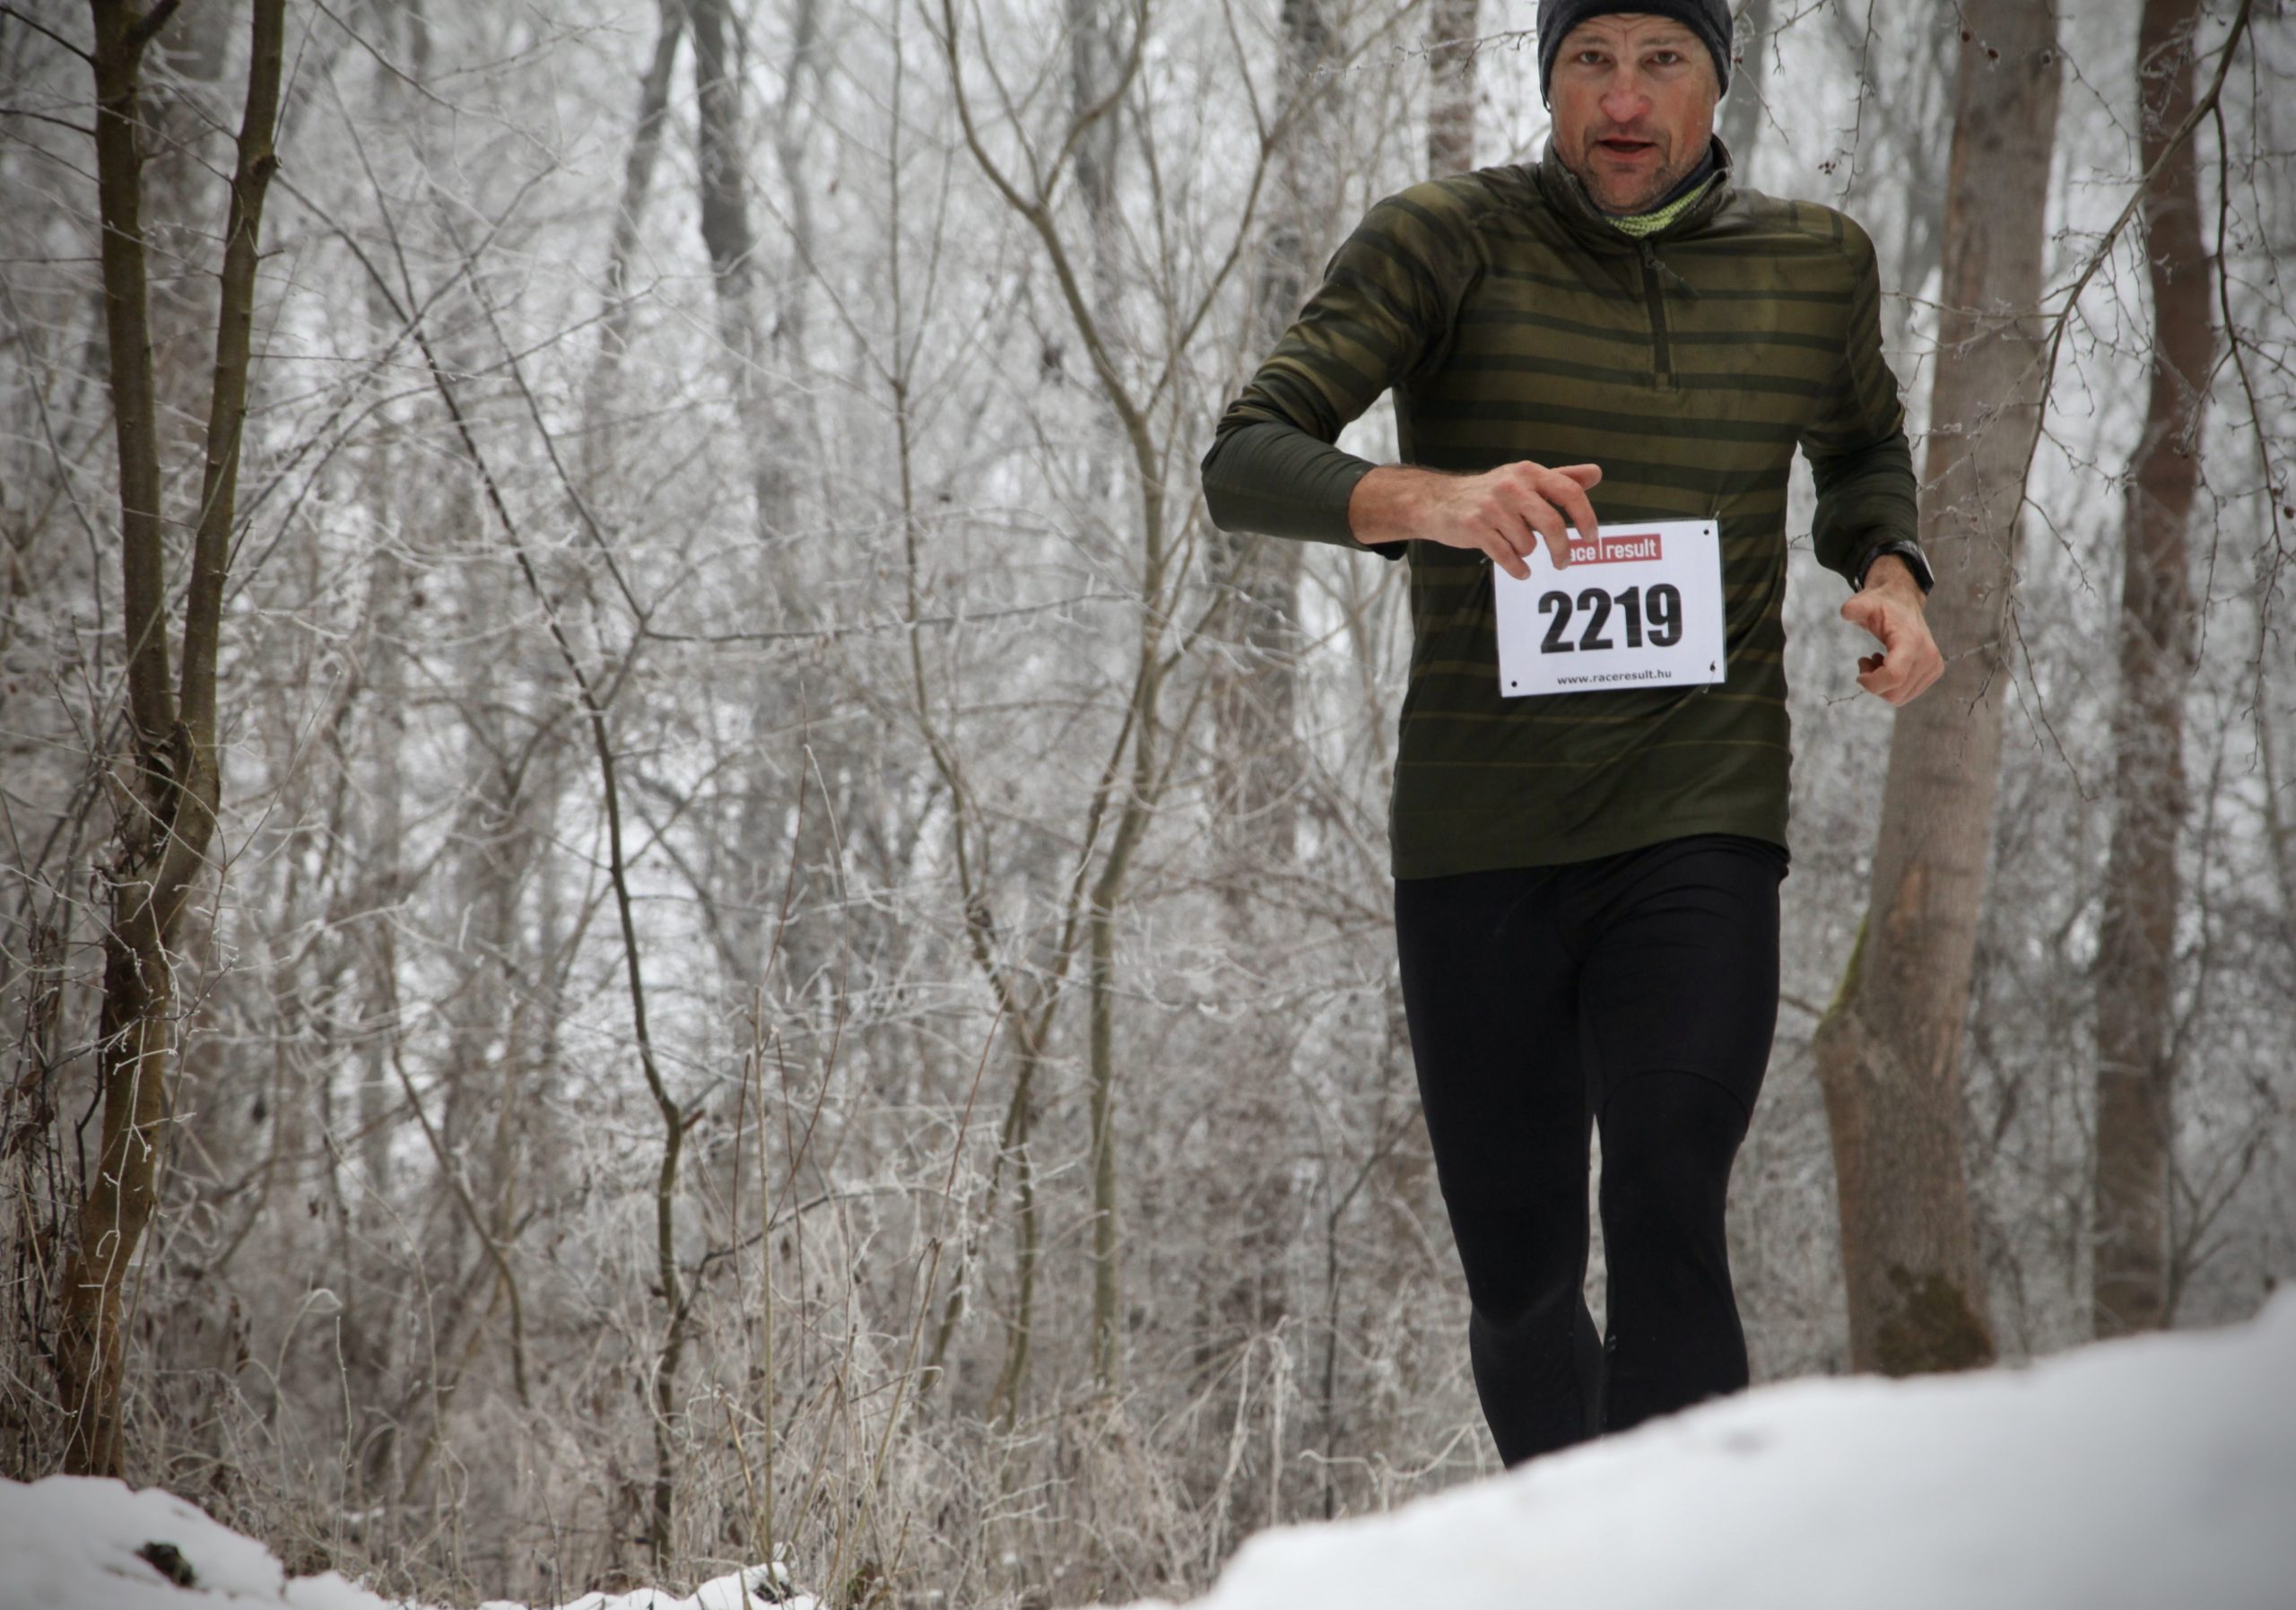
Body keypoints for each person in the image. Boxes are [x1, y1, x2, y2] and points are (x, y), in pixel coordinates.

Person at [1199, 0, 1943, 1465]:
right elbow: (1245, 456)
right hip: (1484, 835)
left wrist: (1893, 576)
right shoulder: (1441, 238)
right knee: (1525, 1283)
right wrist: (1436, 501)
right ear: (1546, 80)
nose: (1622, 97)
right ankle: (1577, 1548)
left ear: (1718, 77)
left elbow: (1860, 449)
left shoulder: (1813, 264)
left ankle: (1689, 1564)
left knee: (1671, 1182)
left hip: (1700, 808)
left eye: (1661, 58)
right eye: (1587, 59)